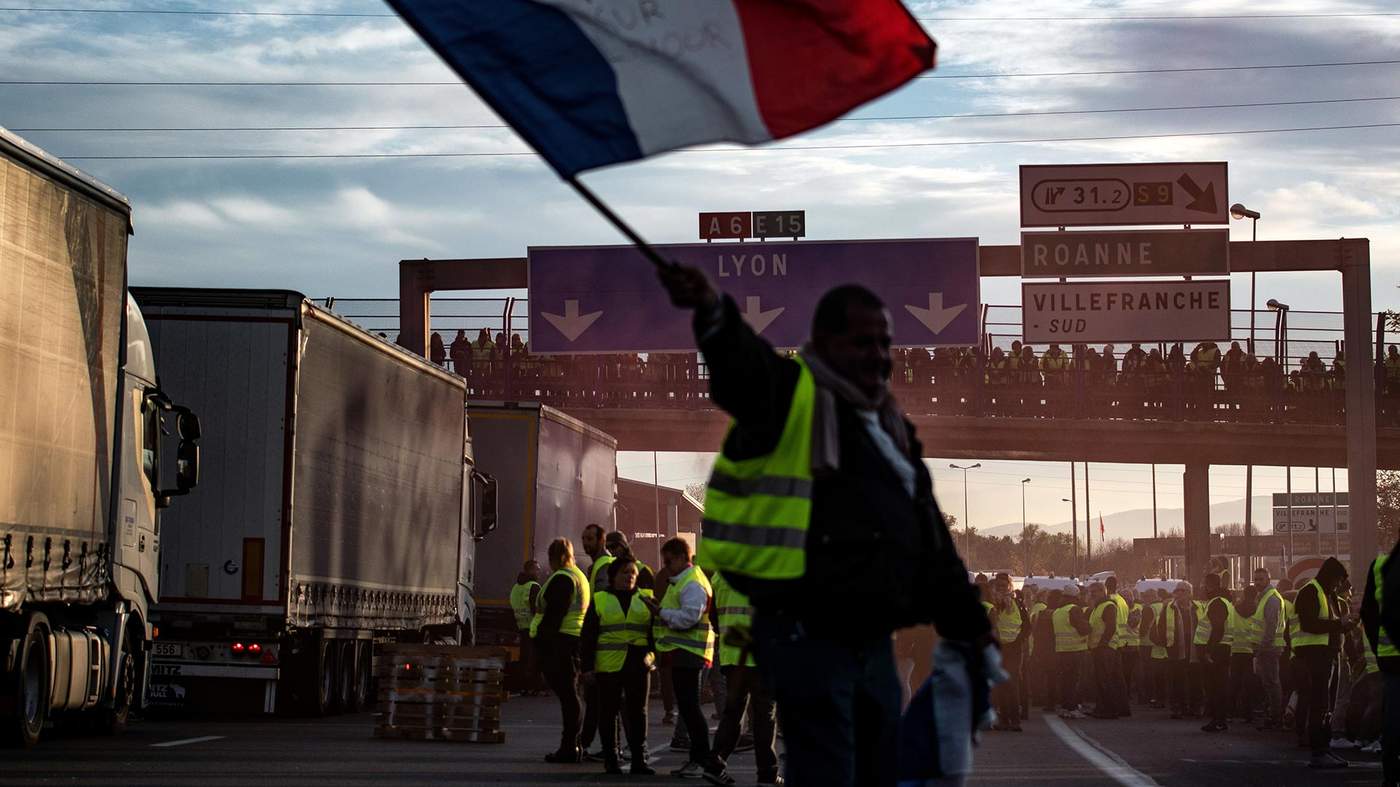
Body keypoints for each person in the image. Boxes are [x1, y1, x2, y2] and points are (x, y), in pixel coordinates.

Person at [657, 266, 990, 787]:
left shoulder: (889, 423)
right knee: (830, 770)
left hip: (873, 641)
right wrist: (713, 313)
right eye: (864, 342)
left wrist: (970, 625)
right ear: (827, 344)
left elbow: (925, 527)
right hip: (809, 639)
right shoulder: (795, 395)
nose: (879, 354)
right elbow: (747, 373)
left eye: (885, 342)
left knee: (881, 768)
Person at [642, 537, 725, 781]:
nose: (666, 565)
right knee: (689, 709)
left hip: (690, 654)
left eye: (668, 560)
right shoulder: (683, 581)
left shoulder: (692, 583)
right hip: (682, 654)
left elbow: (688, 617)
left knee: (691, 709)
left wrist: (660, 612)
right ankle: (697, 758)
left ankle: (701, 759)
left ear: (681, 557)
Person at [579, 556, 657, 776]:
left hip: (638, 665)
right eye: (624, 572)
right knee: (608, 712)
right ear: (613, 576)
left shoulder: (647, 598)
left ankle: (638, 759)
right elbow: (588, 636)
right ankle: (611, 758)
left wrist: (653, 658)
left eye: (633, 573)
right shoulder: (601, 599)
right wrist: (587, 668)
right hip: (608, 665)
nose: (630, 576)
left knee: (638, 712)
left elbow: (656, 632)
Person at [711, 570, 782, 785]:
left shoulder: (720, 575)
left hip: (733, 657)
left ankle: (715, 764)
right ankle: (767, 775)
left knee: (733, 714)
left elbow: (714, 618)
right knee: (764, 718)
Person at [532, 537, 591, 763]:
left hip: (561, 642)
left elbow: (553, 615)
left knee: (569, 696)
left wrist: (542, 646)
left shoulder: (563, 579)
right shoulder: (578, 576)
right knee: (571, 696)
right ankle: (574, 744)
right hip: (572, 639)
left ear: (553, 557)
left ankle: (569, 746)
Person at [1295, 557, 1358, 769]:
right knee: (1319, 704)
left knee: (1327, 705)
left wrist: (1347, 626)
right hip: (1315, 655)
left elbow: (1332, 626)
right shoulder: (1310, 591)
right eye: (1339, 580)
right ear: (1331, 576)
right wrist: (1338, 623)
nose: (1340, 585)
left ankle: (1325, 748)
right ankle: (1318, 751)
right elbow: (1309, 624)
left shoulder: (1329, 594)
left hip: (1330, 654)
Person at [577, 523, 610, 758]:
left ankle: (591, 744)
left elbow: (601, 608)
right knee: (597, 699)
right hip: (599, 641)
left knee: (600, 699)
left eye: (590, 539)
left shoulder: (603, 565)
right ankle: (588, 743)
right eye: (584, 539)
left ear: (602, 540)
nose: (586, 543)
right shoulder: (596, 565)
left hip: (603, 643)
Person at [990, 574, 1028, 731]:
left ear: (1009, 586)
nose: (1001, 589)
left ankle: (1015, 720)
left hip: (1013, 649)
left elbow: (1027, 626)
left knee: (1012, 683)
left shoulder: (1017, 603)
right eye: (998, 586)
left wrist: (1019, 640)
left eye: (1004, 586)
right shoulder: (993, 604)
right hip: (997, 649)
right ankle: (1004, 719)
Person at [1197, 573, 1233, 732]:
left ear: (1209, 585)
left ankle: (1218, 720)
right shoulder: (1223, 601)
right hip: (1223, 648)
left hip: (1216, 650)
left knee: (1215, 687)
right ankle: (1220, 719)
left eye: (1204, 583)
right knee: (1220, 686)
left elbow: (1217, 628)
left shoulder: (1217, 603)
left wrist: (1208, 651)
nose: (1202, 587)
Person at [1087, 582, 1127, 719]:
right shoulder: (1097, 607)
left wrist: (1102, 644)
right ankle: (1108, 708)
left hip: (1105, 648)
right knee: (1106, 679)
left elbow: (1110, 627)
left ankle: (1108, 709)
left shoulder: (1108, 606)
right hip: (1102, 647)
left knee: (1105, 679)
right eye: (1090, 592)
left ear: (1102, 591)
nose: (1091, 595)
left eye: (1094, 592)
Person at [1252, 568, 1286, 729]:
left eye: (1261, 579)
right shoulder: (1264, 597)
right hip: (1266, 647)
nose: (1257, 582)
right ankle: (1273, 715)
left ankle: (1275, 718)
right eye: (1256, 579)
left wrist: (1263, 646)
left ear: (1268, 580)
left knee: (1272, 683)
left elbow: (1271, 625)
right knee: (1268, 683)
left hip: (1269, 648)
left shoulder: (1271, 598)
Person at [1053, 589, 1091, 718]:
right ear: (1076, 596)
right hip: (1076, 649)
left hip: (1061, 650)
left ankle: (1065, 707)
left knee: (1065, 681)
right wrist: (1089, 626)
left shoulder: (1058, 611)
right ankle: (1073, 708)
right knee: (1074, 681)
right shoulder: (1074, 609)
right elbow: (1083, 629)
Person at [510, 560, 543, 694]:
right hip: (533, 628)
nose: (539, 572)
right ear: (529, 570)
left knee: (524, 659)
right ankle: (533, 687)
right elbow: (538, 610)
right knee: (534, 660)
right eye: (537, 569)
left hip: (522, 627)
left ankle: (523, 686)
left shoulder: (516, 587)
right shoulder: (533, 587)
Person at [1228, 586, 1260, 723]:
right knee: (1249, 684)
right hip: (1251, 652)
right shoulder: (1258, 610)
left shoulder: (1234, 609)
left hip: (1235, 651)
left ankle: (1230, 712)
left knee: (1234, 683)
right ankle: (1248, 713)